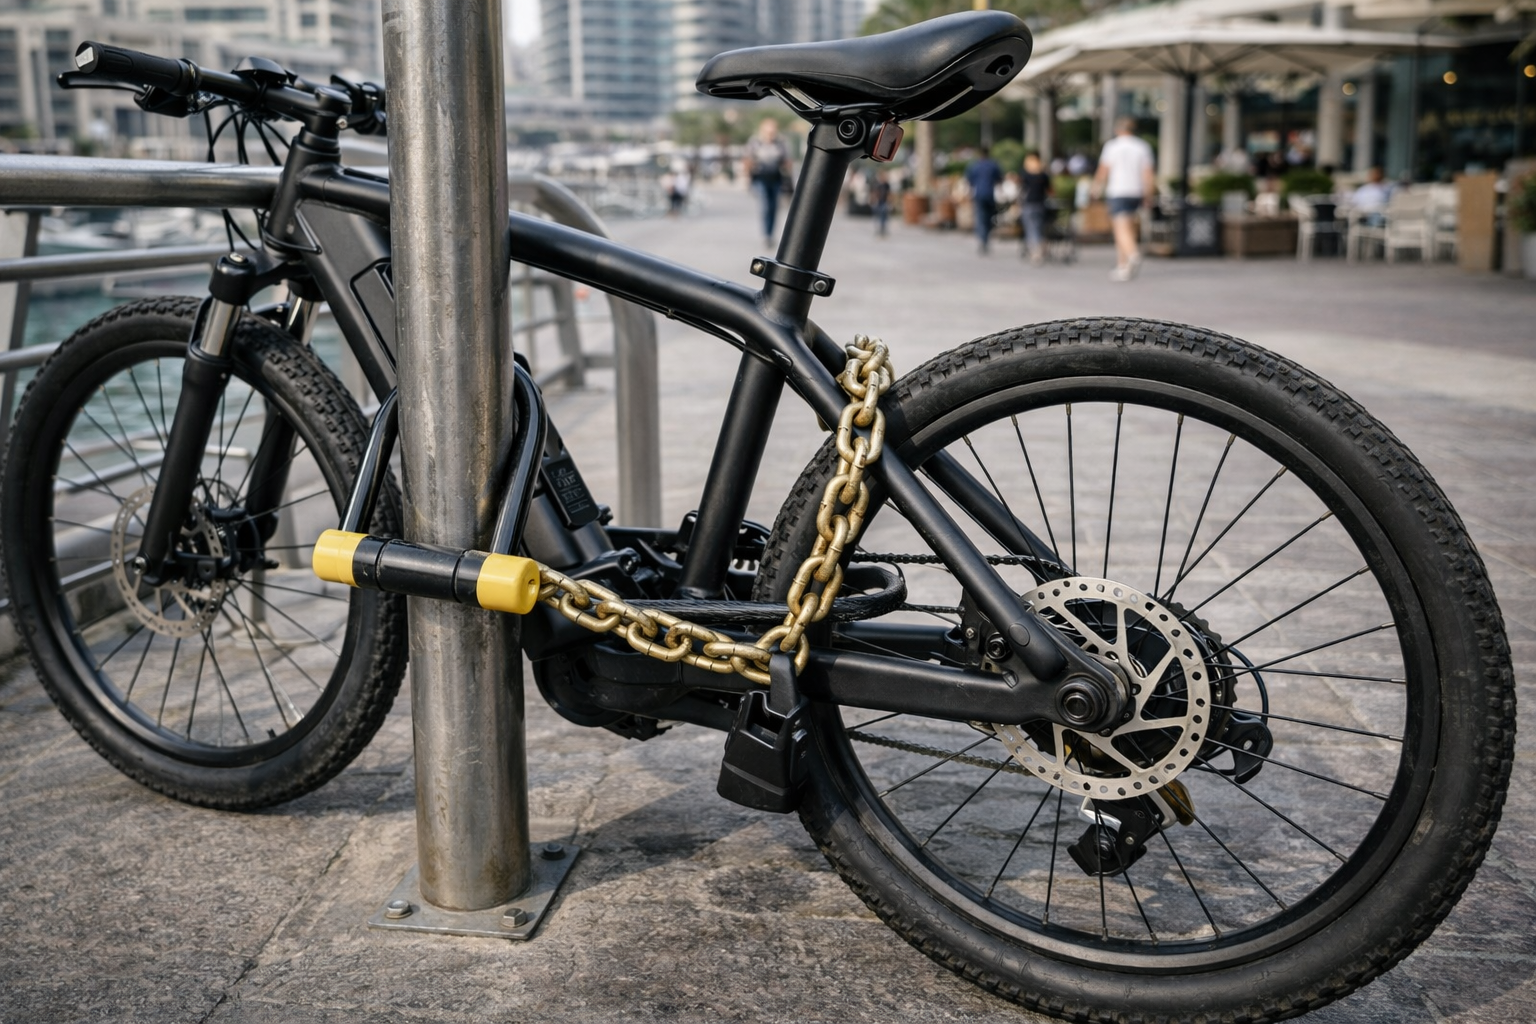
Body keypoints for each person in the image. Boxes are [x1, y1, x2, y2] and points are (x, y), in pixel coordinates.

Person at [1093, 117, 1156, 282]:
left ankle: (1132, 254)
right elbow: (1148, 174)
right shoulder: (1142, 146)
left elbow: (1103, 170)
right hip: (1136, 191)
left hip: (1118, 190)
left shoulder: (1112, 146)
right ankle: (1123, 266)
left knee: (1120, 228)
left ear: (1118, 130)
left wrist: (1096, 188)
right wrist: (1148, 193)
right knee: (1128, 228)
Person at [743, 118, 791, 245]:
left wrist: (788, 171)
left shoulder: (780, 143)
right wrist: (747, 177)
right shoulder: (755, 142)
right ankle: (765, 234)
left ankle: (770, 234)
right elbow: (747, 160)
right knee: (765, 206)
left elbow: (787, 161)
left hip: (776, 179)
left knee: (774, 207)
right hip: (760, 178)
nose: (770, 133)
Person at [964, 145, 1004, 254]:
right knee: (988, 219)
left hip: (979, 195)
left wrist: (968, 194)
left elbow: (969, 181)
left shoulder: (974, 165)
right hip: (990, 195)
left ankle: (982, 240)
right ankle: (985, 239)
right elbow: (999, 180)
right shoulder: (993, 165)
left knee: (981, 219)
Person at [1019, 151, 1052, 265]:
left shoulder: (1026, 175)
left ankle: (1035, 252)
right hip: (1040, 204)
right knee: (1039, 228)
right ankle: (1040, 250)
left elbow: (1022, 190)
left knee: (1030, 229)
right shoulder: (1043, 175)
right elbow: (1050, 191)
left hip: (1029, 204)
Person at [870, 170, 892, 238]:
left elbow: (889, 194)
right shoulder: (878, 184)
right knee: (877, 216)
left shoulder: (886, 185)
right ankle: (878, 229)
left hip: (884, 202)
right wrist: (873, 200)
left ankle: (882, 229)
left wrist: (889, 202)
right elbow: (875, 193)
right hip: (878, 202)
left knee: (884, 217)